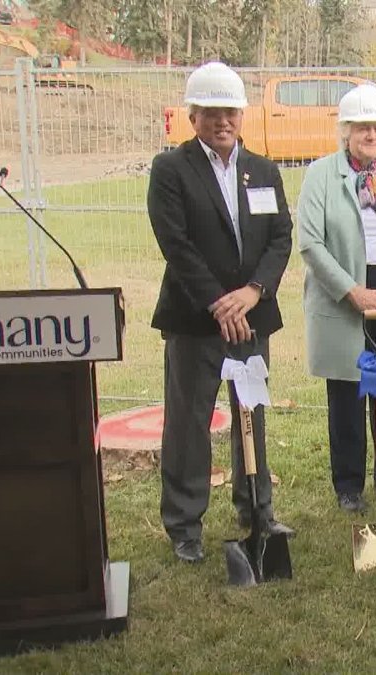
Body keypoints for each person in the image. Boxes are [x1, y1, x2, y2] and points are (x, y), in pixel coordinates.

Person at [147, 62, 295, 564]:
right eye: (211, 112)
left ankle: (257, 509)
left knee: (251, 414)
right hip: (195, 320)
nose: (222, 121)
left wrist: (253, 292)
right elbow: (176, 244)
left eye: (230, 111)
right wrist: (217, 301)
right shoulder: (171, 170)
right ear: (194, 117)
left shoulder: (263, 170)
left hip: (252, 317)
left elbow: (280, 237)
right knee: (189, 422)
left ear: (241, 115)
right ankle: (185, 525)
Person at [297, 84, 376, 513]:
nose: (372, 134)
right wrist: (351, 291)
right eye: (363, 127)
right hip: (344, 295)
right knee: (348, 395)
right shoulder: (321, 175)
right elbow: (311, 243)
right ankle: (349, 485)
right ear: (346, 130)